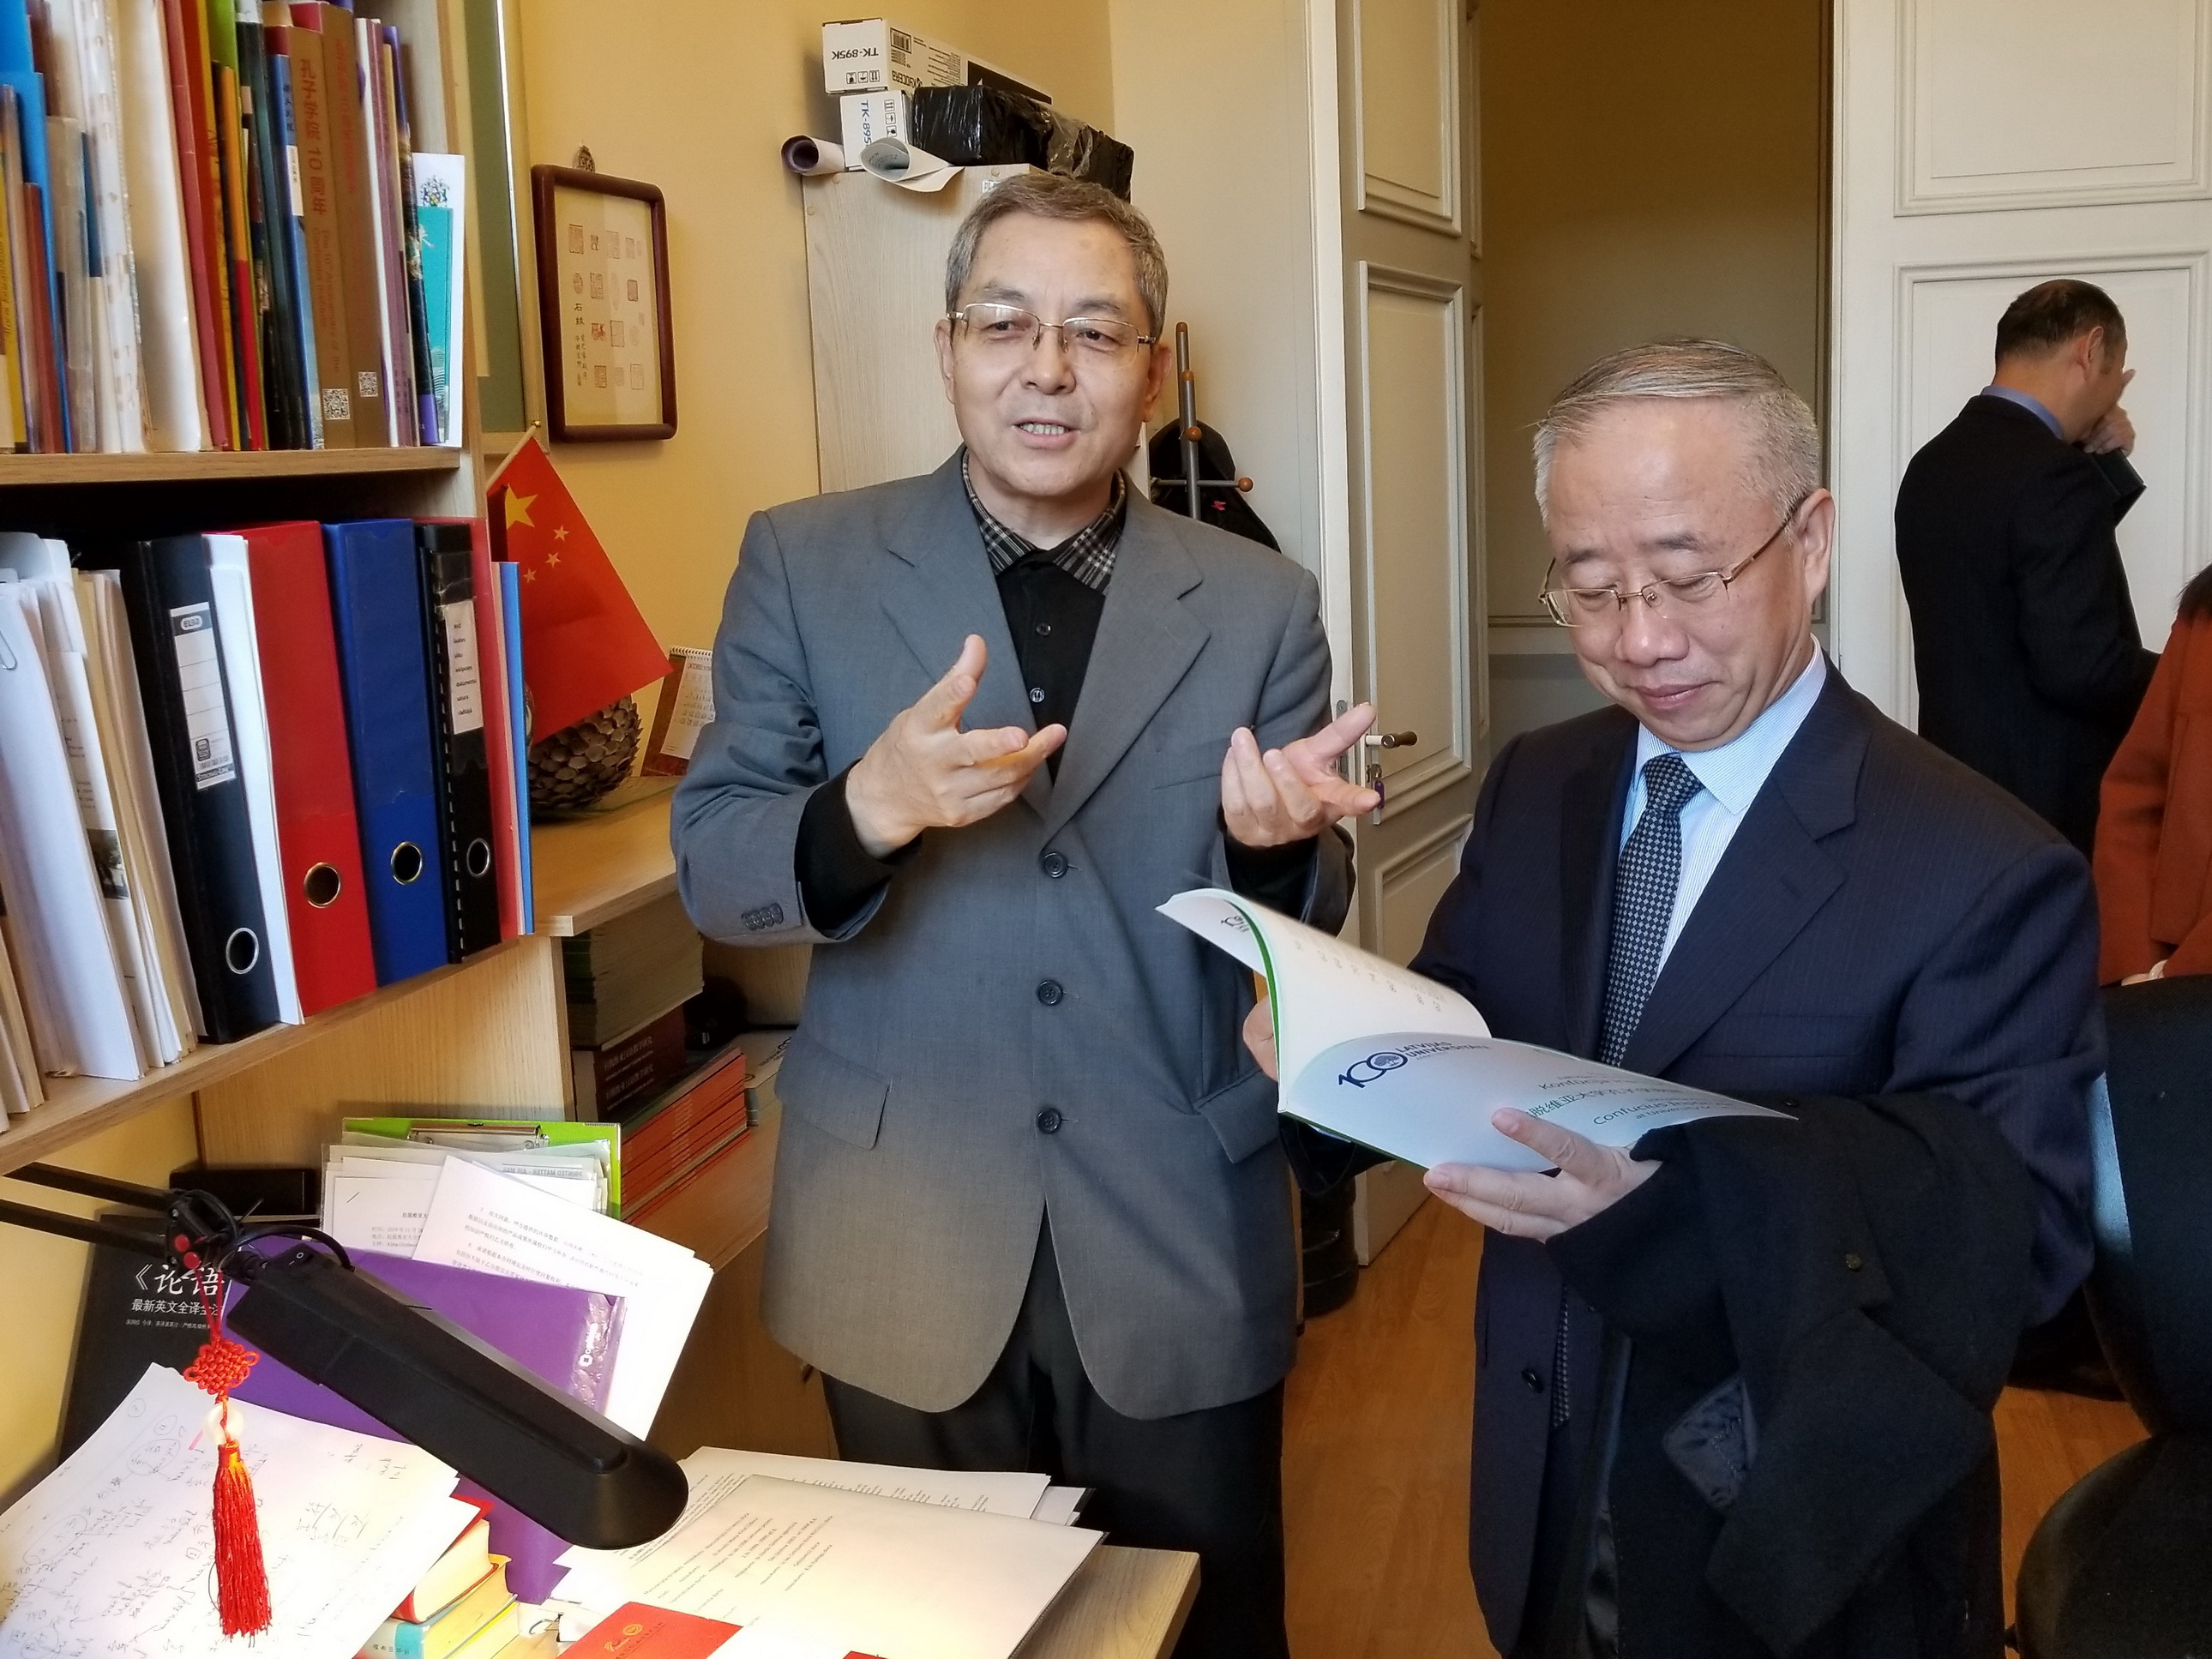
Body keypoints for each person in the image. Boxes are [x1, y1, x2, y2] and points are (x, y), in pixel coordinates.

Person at [670, 172, 1376, 1659]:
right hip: (900, 1233)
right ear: (947, 350)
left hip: (1176, 1223)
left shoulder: (1262, 603)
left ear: (1152, 371)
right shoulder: (805, 561)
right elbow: (717, 865)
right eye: (1004, 324)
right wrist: (866, 807)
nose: (1046, 368)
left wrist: (1276, 858)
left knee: (1204, 1628)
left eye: (1093, 332)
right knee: (934, 1637)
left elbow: (1307, 929)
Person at [1304, 341, 2098, 1656]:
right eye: (1590, 587)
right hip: (1541, 1488)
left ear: (1813, 540)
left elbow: (2027, 1244)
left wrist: (1682, 1202)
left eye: (1686, 577)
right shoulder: (1543, 780)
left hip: (1789, 1537)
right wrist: (1316, 1010)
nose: (1640, 640)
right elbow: (1459, 1023)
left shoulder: (1983, 866)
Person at [1895, 278, 2158, 856]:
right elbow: (2080, 665)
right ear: (2090, 350)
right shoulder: (2053, 476)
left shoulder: (1931, 466)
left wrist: (2096, 455)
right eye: (2116, 376)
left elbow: (2022, 557)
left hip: (1953, 793)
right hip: (2047, 813)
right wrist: (2181, 675)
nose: (2114, 396)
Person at [2095, 563, 2212, 983]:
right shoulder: (2203, 616)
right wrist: (2135, 964)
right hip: (2165, 983)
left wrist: (2177, 974)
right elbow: (2136, 796)